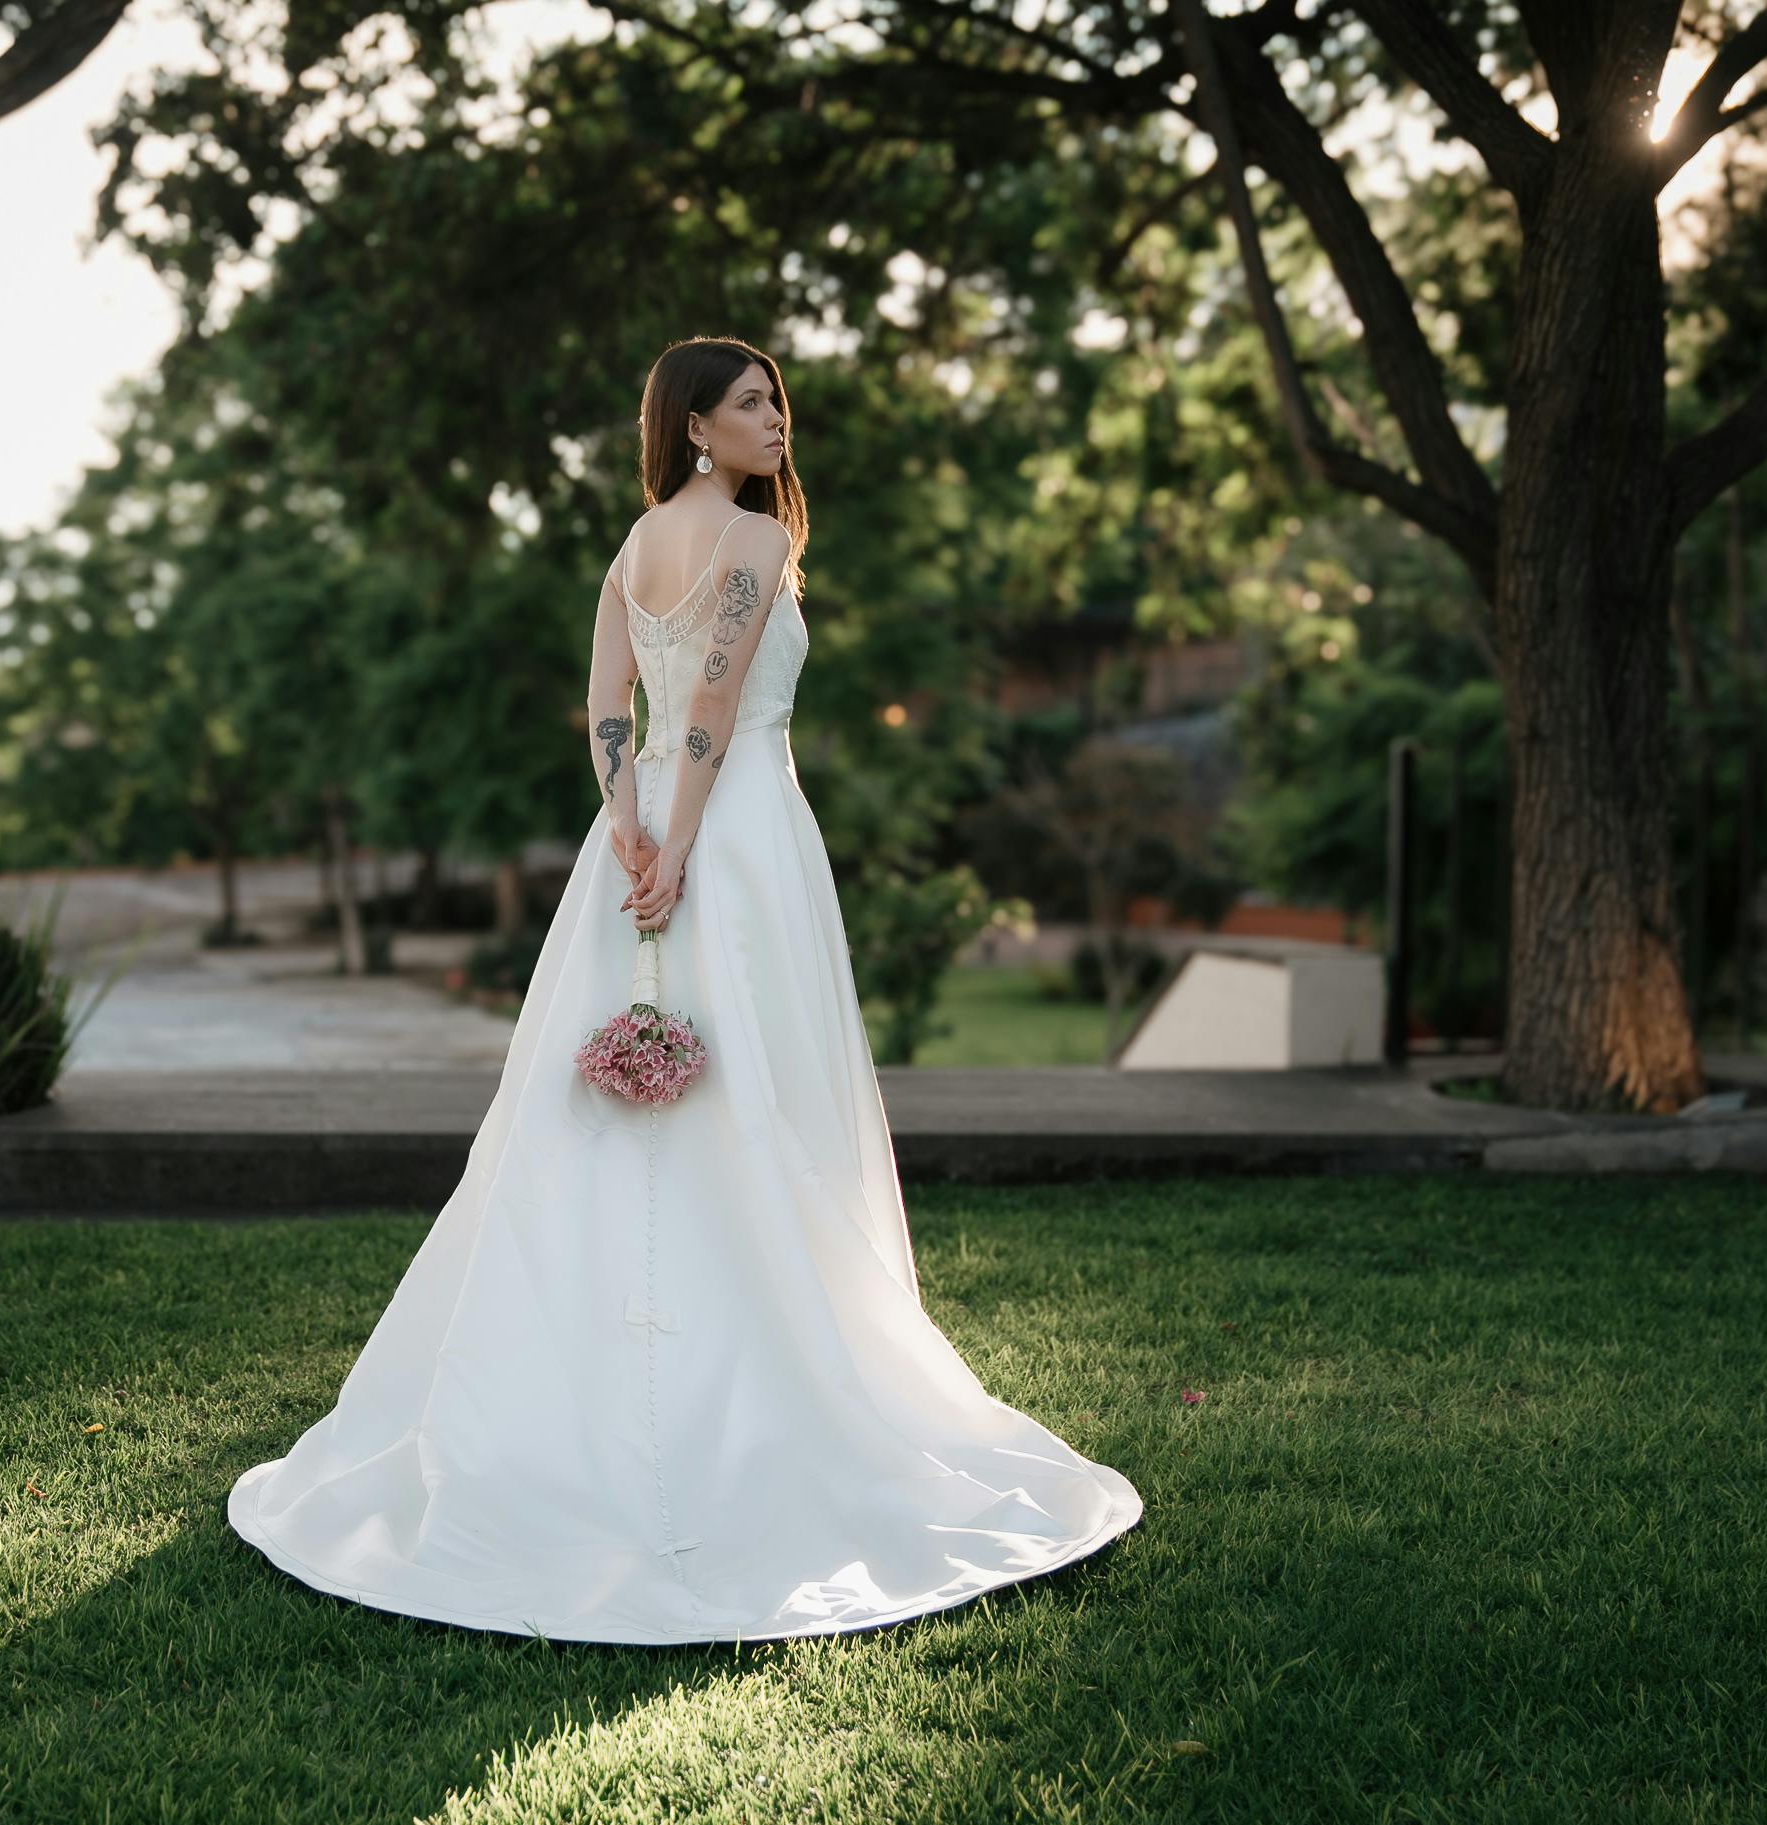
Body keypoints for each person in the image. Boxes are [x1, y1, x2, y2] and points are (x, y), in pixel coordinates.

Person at [227, 336, 1143, 1643]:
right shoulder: (754, 546)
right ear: (695, 427)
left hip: (646, 824)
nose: (775, 419)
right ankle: (763, 1381)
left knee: (618, 1120)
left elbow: (612, 708)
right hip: (738, 829)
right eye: (750, 402)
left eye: (775, 399)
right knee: (749, 1092)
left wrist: (628, 827)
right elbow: (708, 699)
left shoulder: (631, 544)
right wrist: (684, 838)